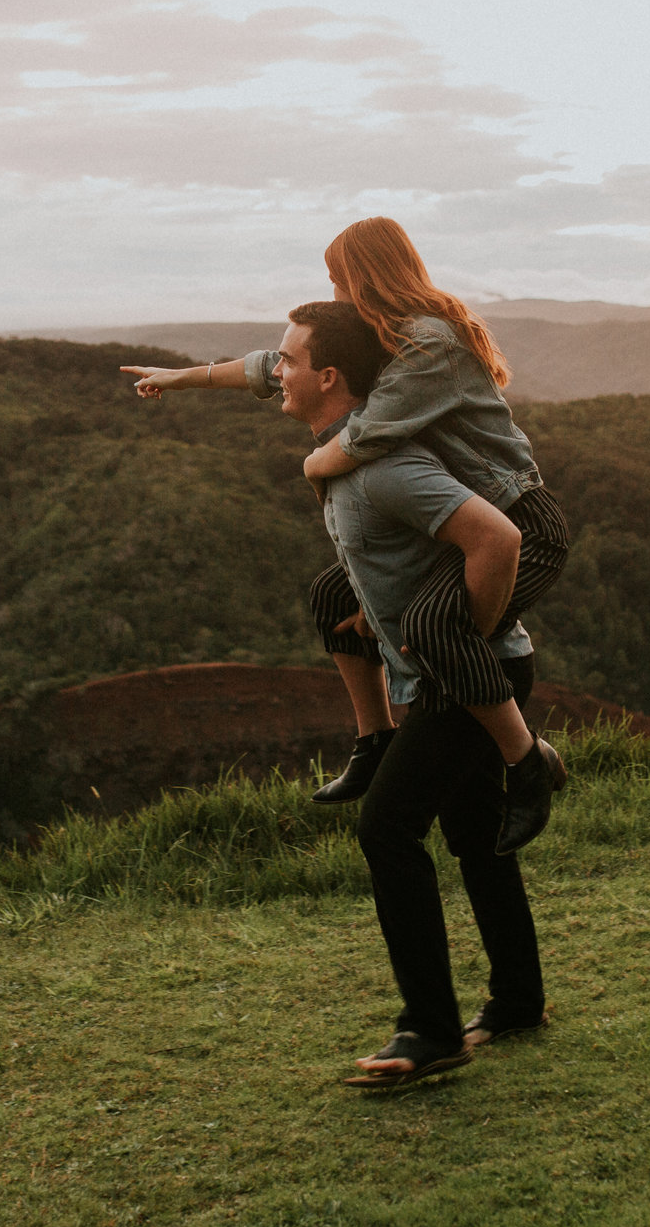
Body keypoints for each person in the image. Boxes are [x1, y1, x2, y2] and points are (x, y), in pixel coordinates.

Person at [123, 218, 571, 852]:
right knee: (335, 596)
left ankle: (526, 763)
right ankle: (376, 740)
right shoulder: (381, 332)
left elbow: (366, 435)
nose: (333, 293)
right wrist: (184, 376)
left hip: (520, 520)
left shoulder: (430, 343)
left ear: (366, 276)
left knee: (436, 629)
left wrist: (311, 466)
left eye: (338, 280)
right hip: (459, 521)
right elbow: (277, 366)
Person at [268, 301, 554, 1087]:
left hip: (465, 681)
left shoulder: (383, 465)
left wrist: (465, 647)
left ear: (330, 377)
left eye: (288, 360)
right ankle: (517, 999)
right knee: (474, 830)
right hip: (454, 675)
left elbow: (499, 537)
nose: (277, 371)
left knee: (388, 827)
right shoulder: (350, 457)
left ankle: (430, 1028)